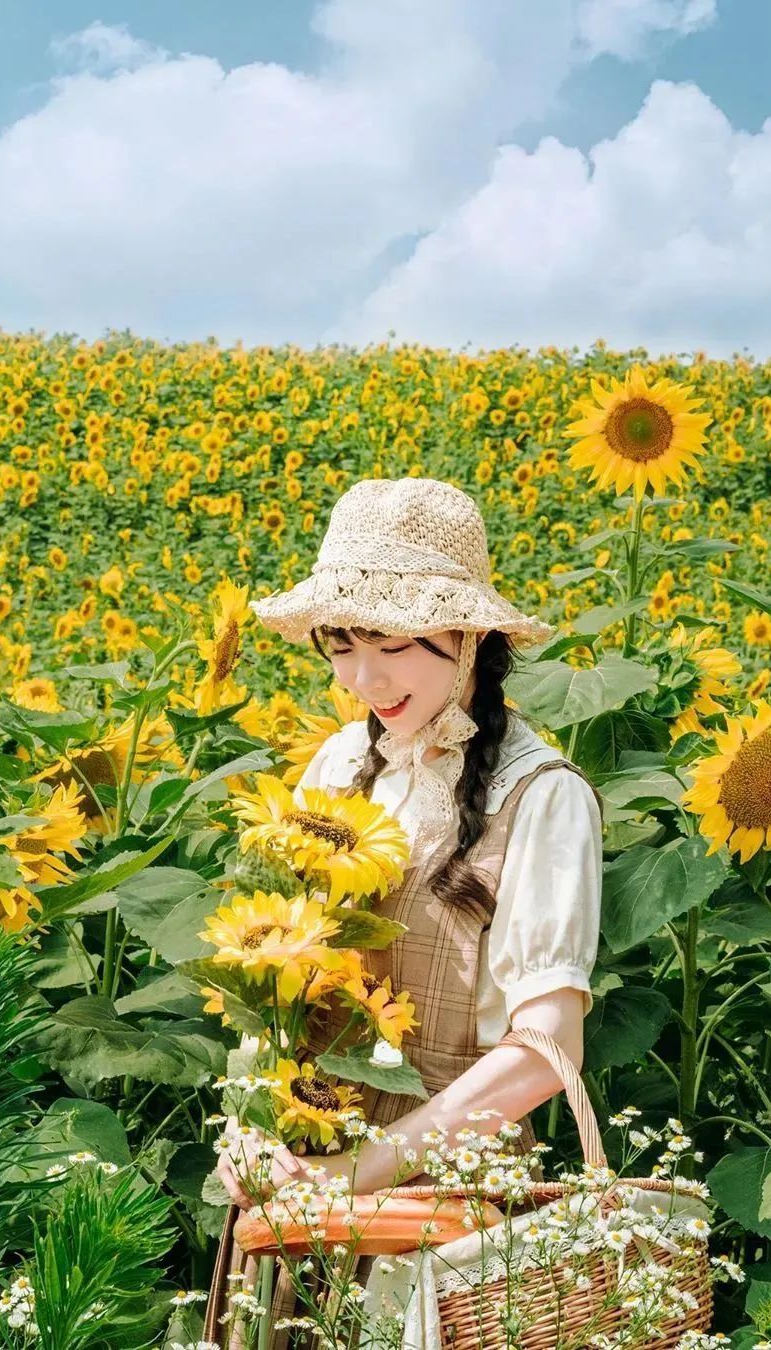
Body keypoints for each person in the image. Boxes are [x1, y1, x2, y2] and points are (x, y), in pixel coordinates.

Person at [203, 477, 603, 1348]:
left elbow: (545, 1052)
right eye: (340, 645)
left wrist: (362, 1173)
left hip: (446, 1216)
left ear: (468, 634)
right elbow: (282, 974)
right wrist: (248, 1123)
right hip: (299, 1189)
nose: (361, 678)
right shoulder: (338, 764)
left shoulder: (543, 795)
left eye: (386, 642)